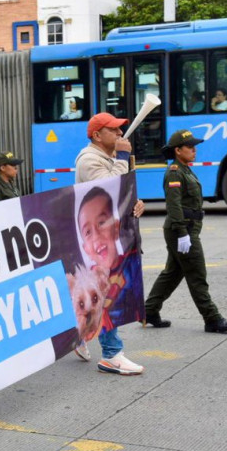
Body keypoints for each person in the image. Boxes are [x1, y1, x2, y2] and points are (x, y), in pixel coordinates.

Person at [143, 130, 227, 334]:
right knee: (197, 274)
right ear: (178, 150)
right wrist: (182, 233)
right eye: (190, 147)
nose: (194, 150)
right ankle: (212, 319)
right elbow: (174, 205)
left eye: (195, 147)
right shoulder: (175, 172)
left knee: (172, 273)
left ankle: (149, 310)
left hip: (186, 228)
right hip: (182, 229)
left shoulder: (184, 169)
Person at [73, 112, 146, 374]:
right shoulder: (89, 160)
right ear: (96, 135)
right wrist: (124, 157)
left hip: (110, 236)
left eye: (119, 130)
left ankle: (79, 335)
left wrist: (135, 204)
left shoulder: (107, 158)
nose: (119, 134)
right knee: (105, 295)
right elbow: (109, 187)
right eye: (113, 130)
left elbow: (119, 196)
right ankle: (112, 354)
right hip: (98, 241)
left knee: (103, 293)